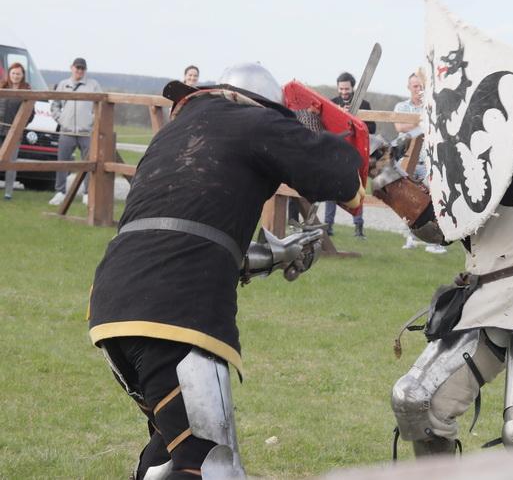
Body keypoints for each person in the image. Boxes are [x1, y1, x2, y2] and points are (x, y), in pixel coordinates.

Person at [87, 62, 365, 478]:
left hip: (113, 306)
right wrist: (328, 137)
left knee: (172, 449)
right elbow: (344, 179)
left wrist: (278, 253)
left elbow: (187, 233)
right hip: (174, 316)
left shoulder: (175, 133)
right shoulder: (257, 122)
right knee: (212, 467)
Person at [375, 83, 513, 455]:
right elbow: (440, 226)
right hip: (490, 291)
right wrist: (381, 171)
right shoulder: (463, 133)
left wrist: (458, 148)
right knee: (415, 400)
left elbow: (508, 171)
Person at [394, 72, 445, 253]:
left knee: (434, 200)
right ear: (409, 87)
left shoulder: (433, 105)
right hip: (407, 160)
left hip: (429, 163)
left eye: (421, 86)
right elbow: (400, 126)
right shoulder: (401, 106)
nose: (418, 89)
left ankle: (435, 241)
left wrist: (420, 123)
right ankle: (410, 237)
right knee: (405, 200)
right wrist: (423, 123)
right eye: (415, 86)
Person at [324, 71, 376, 239]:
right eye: (341, 89)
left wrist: (357, 117)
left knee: (357, 188)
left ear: (352, 88)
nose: (344, 92)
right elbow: (325, 126)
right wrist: (339, 114)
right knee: (330, 190)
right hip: (336, 152)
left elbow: (372, 129)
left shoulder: (365, 104)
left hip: (355, 152)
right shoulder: (332, 103)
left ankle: (359, 227)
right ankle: (328, 226)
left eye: (347, 89)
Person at [49, 57, 102, 206]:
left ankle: (87, 193)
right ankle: (60, 192)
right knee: (62, 162)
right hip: (66, 131)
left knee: (89, 164)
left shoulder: (93, 85)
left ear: (85, 70)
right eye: (77, 67)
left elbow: (101, 106)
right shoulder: (62, 84)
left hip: (86, 132)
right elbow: (55, 105)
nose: (79, 70)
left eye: (82, 68)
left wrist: (91, 120)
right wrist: (61, 119)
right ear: (71, 68)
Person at [0, 62, 35, 200]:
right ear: (9, 74)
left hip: (14, 133)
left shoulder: (26, 90)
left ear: (22, 75)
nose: (15, 76)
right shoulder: (2, 87)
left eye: (18, 74)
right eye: (13, 73)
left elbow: (30, 114)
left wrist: (20, 125)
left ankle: (8, 193)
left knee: (11, 163)